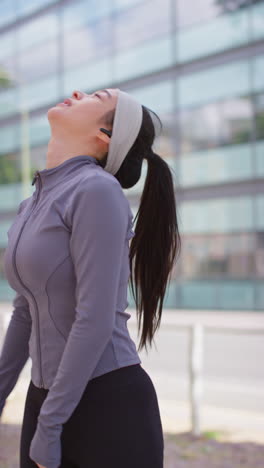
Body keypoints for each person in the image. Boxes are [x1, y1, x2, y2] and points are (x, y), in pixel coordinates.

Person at [0, 87, 181, 468]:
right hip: (45, 400)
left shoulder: (97, 191)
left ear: (105, 136)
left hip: (107, 406)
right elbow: (26, 310)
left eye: (96, 97)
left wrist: (50, 426)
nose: (77, 92)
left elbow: (95, 318)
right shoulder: (32, 203)